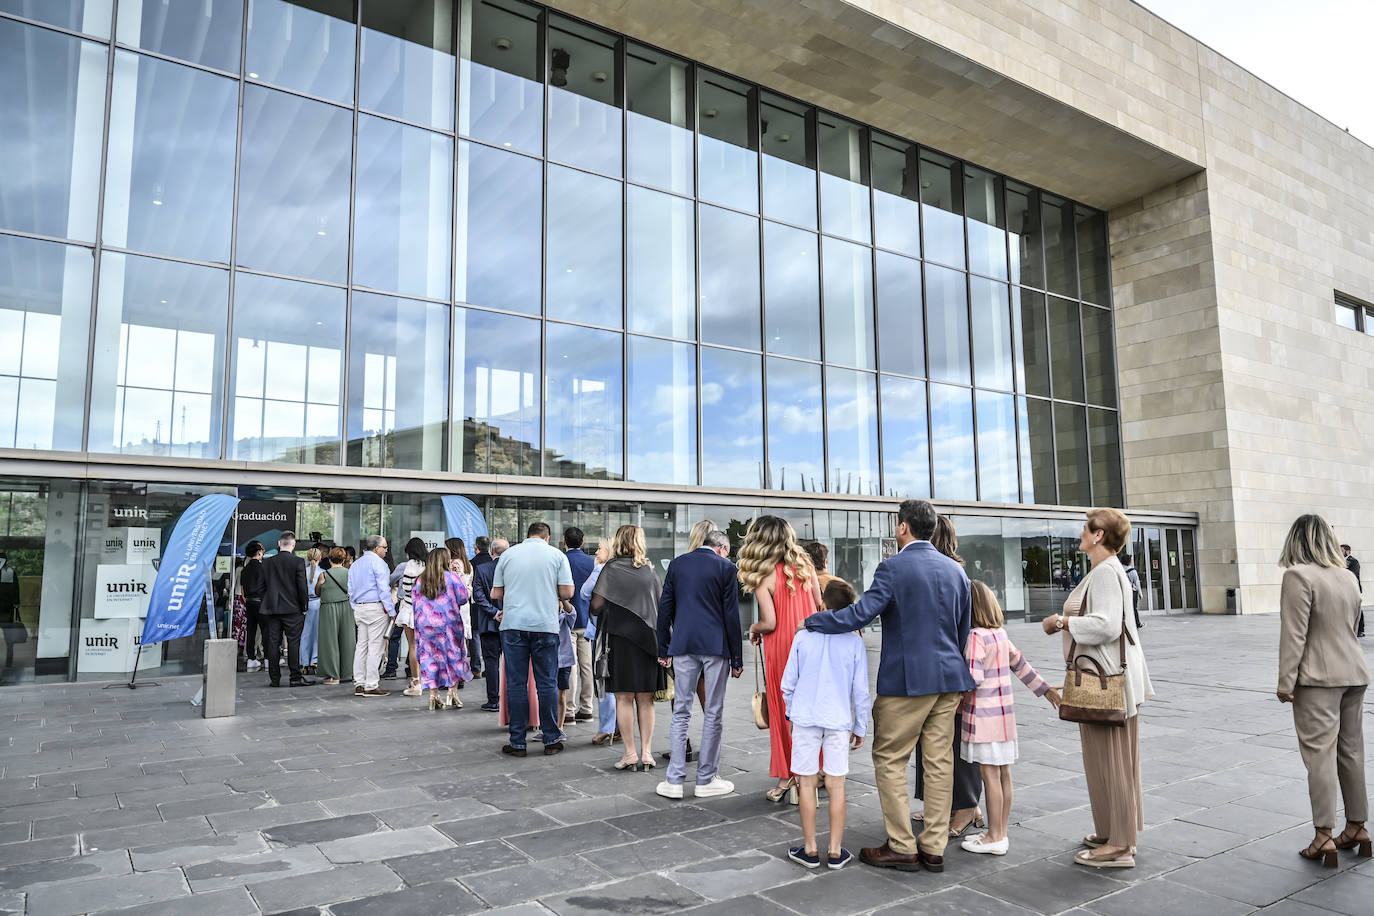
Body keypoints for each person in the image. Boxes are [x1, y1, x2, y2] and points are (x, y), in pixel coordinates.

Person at [803, 498, 974, 873]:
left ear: (902, 527)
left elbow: (861, 613)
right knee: (940, 762)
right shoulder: (956, 571)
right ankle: (934, 846)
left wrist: (815, 622)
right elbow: (964, 629)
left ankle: (901, 845)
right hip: (949, 678)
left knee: (891, 759)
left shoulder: (893, 567)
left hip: (907, 682)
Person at [1040, 508, 1153, 869]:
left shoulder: (1104, 573)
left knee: (1112, 761)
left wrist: (1061, 621)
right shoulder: (1105, 570)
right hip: (1107, 677)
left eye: (1084, 530)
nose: (1080, 535)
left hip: (1103, 680)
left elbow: (1106, 626)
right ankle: (1113, 832)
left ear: (1099, 535)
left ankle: (1119, 845)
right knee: (1110, 761)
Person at [1279, 516, 1370, 867]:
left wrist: (1286, 682)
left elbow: (1294, 634)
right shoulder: (1347, 576)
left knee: (1319, 756)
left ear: (1297, 540)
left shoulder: (1297, 576)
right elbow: (1352, 623)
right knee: (1352, 752)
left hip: (1317, 678)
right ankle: (1357, 828)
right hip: (1354, 672)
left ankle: (1323, 836)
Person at [960, 582, 1060, 856]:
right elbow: (1021, 664)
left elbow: (972, 679)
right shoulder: (1000, 635)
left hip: (983, 719)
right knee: (1004, 775)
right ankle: (1000, 832)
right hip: (1004, 718)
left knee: (989, 776)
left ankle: (993, 836)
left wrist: (953, 699)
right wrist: (1045, 688)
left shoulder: (976, 637)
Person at [783, 577, 869, 870]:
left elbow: (788, 684)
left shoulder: (802, 637)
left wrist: (790, 714)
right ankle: (834, 850)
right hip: (838, 719)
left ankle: (809, 848)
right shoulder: (854, 641)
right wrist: (861, 727)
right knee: (836, 784)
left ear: (822, 604)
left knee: (806, 783)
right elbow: (861, 691)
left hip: (806, 717)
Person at [654, 529, 743, 800]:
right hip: (715, 647)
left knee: (681, 711)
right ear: (722, 548)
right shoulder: (727, 568)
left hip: (682, 644)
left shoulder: (678, 564)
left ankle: (674, 779)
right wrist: (736, 658)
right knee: (713, 712)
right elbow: (731, 615)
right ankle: (706, 779)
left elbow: (665, 608)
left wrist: (663, 647)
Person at [740, 515, 823, 803]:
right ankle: (813, 770)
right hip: (810, 645)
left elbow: (770, 622)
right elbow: (819, 605)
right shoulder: (806, 566)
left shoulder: (765, 576)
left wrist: (753, 629)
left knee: (782, 711)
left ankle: (788, 776)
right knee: (809, 711)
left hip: (782, 650)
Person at [913, 514, 984, 840]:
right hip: (940, 670)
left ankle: (966, 808)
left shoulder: (953, 575)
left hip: (950, 673)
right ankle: (943, 805)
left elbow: (964, 630)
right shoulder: (948, 572)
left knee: (954, 743)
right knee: (939, 742)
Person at [492, 522, 574, 757]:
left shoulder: (508, 555)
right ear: (547, 537)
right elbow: (568, 593)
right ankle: (551, 739)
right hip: (545, 625)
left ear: (527, 536)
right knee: (547, 683)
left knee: (516, 684)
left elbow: (495, 593)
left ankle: (517, 742)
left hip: (513, 625)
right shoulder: (556, 555)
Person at [590, 525, 664, 771]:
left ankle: (630, 753)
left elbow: (596, 606)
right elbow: (661, 605)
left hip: (620, 641)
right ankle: (647, 754)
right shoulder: (649, 571)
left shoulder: (610, 569)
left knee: (623, 697)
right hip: (648, 643)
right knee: (646, 699)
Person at [412, 546, 473, 710]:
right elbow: (463, 599)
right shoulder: (452, 578)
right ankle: (451, 693)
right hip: (448, 625)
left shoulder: (420, 579)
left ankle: (433, 696)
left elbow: (414, 601)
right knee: (453, 657)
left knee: (430, 659)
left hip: (425, 626)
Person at [259, 531, 314, 688]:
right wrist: (304, 606)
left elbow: (261, 587)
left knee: (273, 643)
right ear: (293, 544)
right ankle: (295, 677)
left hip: (272, 609)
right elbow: (302, 587)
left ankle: (274, 679)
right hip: (293, 609)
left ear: (279, 543)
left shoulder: (267, 563)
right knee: (293, 643)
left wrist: (267, 602)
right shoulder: (298, 562)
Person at [582, 538, 619, 746]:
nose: (596, 552)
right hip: (620, 631)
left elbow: (584, 593)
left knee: (603, 679)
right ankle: (620, 726)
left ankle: (607, 727)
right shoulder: (626, 569)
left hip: (601, 632)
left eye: (600, 548)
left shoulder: (601, 570)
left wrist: (594, 570)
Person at [349, 534, 394, 697]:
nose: (386, 551)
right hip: (376, 607)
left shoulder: (355, 564)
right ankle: (371, 684)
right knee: (376, 647)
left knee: (361, 646)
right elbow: (384, 590)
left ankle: (359, 683)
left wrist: (355, 606)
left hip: (360, 608)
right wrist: (391, 611)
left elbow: (350, 590)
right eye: (385, 548)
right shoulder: (379, 564)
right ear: (376, 548)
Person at [562, 527, 596, 724]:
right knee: (587, 666)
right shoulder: (592, 563)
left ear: (564, 541)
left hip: (567, 619)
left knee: (570, 665)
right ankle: (587, 708)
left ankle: (569, 710)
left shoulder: (561, 560)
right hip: (587, 621)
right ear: (582, 542)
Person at [385, 538, 427, 696]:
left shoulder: (407, 566)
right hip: (427, 610)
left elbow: (397, 584)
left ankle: (416, 682)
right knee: (426, 647)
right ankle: (428, 680)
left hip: (409, 608)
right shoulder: (429, 566)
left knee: (412, 646)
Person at [471, 538, 508, 711]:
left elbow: (478, 596)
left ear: (492, 552)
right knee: (512, 663)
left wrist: (494, 613)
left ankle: (493, 700)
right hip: (511, 623)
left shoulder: (482, 569)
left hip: (489, 623)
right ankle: (510, 700)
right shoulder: (513, 568)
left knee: (491, 663)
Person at [316, 547, 354, 684]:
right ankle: (349, 672)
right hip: (347, 607)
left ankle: (332, 676)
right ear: (344, 560)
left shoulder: (324, 575)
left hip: (328, 607)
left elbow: (317, 591)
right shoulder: (350, 573)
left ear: (330, 559)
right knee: (348, 640)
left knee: (329, 641)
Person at [445, 537, 478, 680]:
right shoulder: (468, 564)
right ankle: (462, 672)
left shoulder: (453, 565)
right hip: (464, 605)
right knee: (462, 642)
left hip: (453, 605)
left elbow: (452, 585)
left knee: (452, 642)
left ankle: (454, 674)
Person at [241, 540, 266, 671]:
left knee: (250, 631)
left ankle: (251, 659)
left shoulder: (245, 570)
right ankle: (268, 658)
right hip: (261, 602)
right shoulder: (263, 567)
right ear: (259, 552)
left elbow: (243, 590)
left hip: (249, 602)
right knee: (265, 630)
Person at [302, 546, 324, 675]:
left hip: (305, 606)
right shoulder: (322, 572)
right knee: (317, 634)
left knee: (305, 635)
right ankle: (314, 660)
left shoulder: (301, 572)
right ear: (320, 558)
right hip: (318, 604)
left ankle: (304, 662)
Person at [1340, 543, 1364, 637]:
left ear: (1348, 551)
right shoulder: (1340, 561)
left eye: (1341, 551)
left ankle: (1360, 630)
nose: (1340, 552)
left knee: (1357, 608)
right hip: (1344, 588)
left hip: (1354, 588)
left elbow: (1353, 574)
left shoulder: (1354, 562)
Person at [1123, 554, 1143, 630]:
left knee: (1124, 608)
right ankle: (1137, 624)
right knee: (1133, 608)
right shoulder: (1133, 571)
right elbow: (1137, 582)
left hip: (1123, 591)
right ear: (1128, 561)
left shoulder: (1119, 569)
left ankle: (1124, 624)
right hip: (1132, 592)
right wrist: (1140, 594)